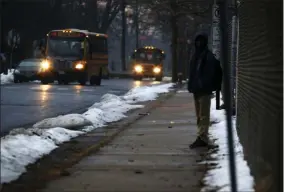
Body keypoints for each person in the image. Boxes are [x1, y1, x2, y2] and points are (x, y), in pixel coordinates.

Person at [187, 33, 222, 149]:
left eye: (201, 41)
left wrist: (205, 85)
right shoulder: (195, 56)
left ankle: (202, 137)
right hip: (197, 90)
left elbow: (210, 73)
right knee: (199, 115)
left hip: (204, 90)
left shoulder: (208, 56)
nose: (199, 44)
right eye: (197, 41)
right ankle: (201, 136)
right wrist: (191, 85)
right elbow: (192, 73)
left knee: (203, 115)